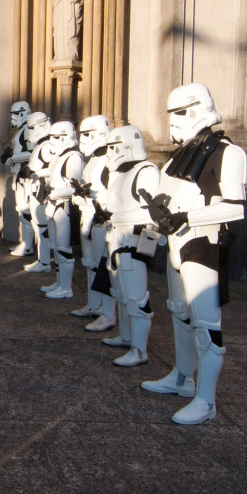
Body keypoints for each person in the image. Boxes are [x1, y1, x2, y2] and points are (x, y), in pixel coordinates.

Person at [140, 83, 247, 424]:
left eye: (181, 113)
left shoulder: (228, 153)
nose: (175, 122)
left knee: (205, 325)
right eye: (171, 114)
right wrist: (148, 241)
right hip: (175, 243)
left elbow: (235, 209)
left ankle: (207, 400)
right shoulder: (177, 157)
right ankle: (182, 378)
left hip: (203, 243)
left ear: (201, 108)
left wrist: (189, 216)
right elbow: (161, 204)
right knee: (179, 313)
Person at [97, 126, 160, 367]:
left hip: (132, 241)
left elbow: (151, 212)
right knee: (121, 294)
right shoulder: (122, 172)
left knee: (136, 299)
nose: (111, 153)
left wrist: (117, 217)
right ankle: (126, 336)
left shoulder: (146, 171)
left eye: (114, 147)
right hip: (115, 240)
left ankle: (139, 350)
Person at [70, 114, 111, 323]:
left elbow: (112, 193)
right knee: (90, 264)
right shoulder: (93, 159)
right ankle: (94, 305)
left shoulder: (110, 159)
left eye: (87, 134)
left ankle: (107, 313)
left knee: (103, 267)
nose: (83, 139)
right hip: (87, 216)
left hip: (100, 218)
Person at [38, 121, 84, 299]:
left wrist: (54, 193)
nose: (53, 141)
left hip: (64, 205)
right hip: (53, 204)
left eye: (56, 137)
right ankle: (59, 282)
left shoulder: (74, 157)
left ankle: (66, 287)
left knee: (64, 249)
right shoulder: (61, 156)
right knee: (56, 247)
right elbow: (52, 175)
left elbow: (76, 186)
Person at [1, 101, 33, 256]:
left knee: (26, 211)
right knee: (21, 210)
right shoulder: (22, 130)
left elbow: (33, 153)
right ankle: (25, 243)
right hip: (19, 175)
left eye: (15, 114)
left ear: (22, 113)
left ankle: (28, 246)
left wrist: (14, 157)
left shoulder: (28, 129)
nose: (12, 118)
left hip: (26, 176)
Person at [23, 113, 53, 273]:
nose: (30, 132)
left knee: (42, 227)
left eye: (32, 128)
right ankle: (42, 259)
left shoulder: (48, 145)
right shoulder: (41, 145)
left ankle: (45, 261)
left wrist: (34, 173)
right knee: (37, 225)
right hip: (34, 188)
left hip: (41, 190)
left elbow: (54, 168)